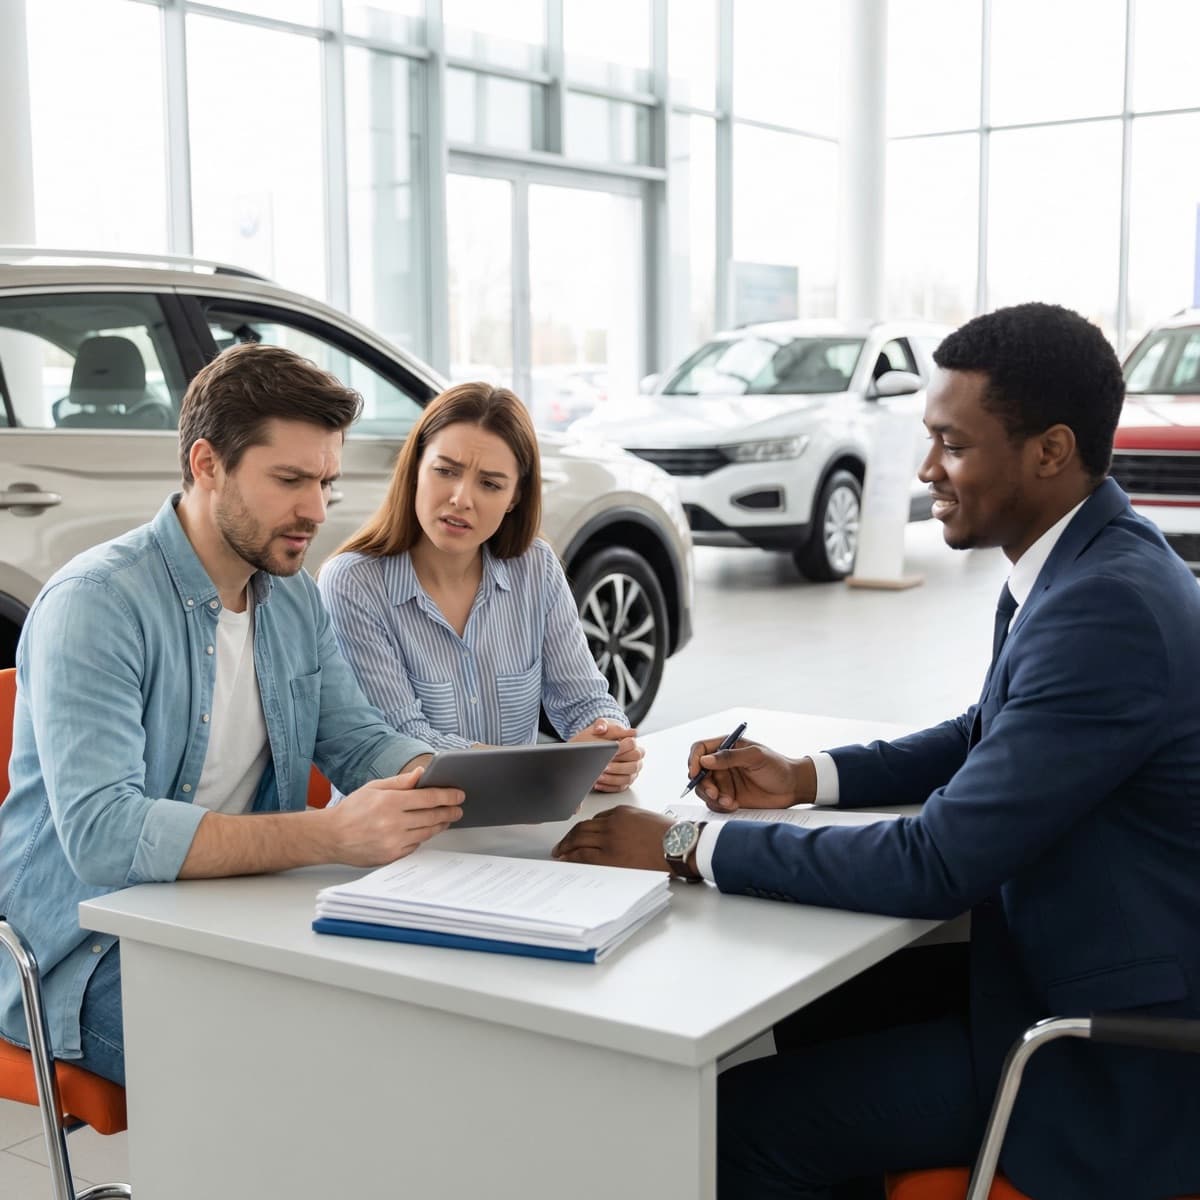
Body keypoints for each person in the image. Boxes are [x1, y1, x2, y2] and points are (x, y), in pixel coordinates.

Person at [551, 303, 1200, 1200]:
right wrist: (808, 775)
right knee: (821, 1010)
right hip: (1050, 967)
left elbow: (936, 862)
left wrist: (679, 846)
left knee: (730, 1126)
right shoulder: (1086, 562)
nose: (927, 468)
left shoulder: (1107, 608)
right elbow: (984, 734)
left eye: (953, 444)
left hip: (1097, 1049)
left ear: (1050, 451)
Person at [0, 344, 464, 1087]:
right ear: (207, 464)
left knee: (422, 1023)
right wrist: (328, 835)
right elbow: (103, 837)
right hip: (85, 958)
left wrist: (457, 775)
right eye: (289, 480)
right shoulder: (97, 605)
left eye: (325, 481)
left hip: (237, 921)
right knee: (313, 1073)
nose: (316, 509)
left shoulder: (291, 595)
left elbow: (353, 738)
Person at [317, 381, 643, 793]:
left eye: (490, 484)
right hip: (399, 840)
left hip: (514, 827)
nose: (461, 498)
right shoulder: (352, 583)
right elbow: (401, 741)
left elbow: (582, 698)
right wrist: (546, 770)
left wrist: (608, 740)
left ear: (514, 497)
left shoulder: (535, 568)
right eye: (446, 471)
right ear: (415, 468)